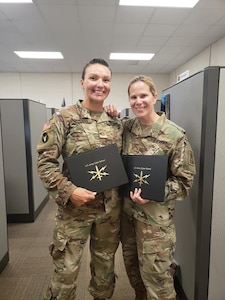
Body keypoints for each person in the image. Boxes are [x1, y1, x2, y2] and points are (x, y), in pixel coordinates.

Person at [36, 58, 124, 300]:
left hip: (109, 211)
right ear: (83, 82)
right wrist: (69, 191)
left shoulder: (116, 122)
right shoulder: (63, 118)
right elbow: (45, 163)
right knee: (65, 273)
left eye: (105, 80)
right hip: (74, 211)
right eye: (94, 78)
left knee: (105, 271)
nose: (100, 84)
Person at [115, 75, 196, 300]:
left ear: (154, 96)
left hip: (155, 225)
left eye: (143, 95)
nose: (138, 101)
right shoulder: (126, 128)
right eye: (133, 97)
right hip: (128, 219)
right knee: (136, 278)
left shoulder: (174, 135)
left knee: (158, 283)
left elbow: (185, 181)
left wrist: (154, 193)